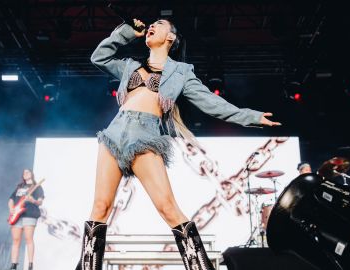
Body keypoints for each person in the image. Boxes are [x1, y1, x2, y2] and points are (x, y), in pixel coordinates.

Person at [76, 18, 281, 270]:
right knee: (99, 208)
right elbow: (100, 57)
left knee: (168, 209)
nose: (151, 26)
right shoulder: (130, 66)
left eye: (158, 24)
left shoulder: (181, 72)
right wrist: (128, 33)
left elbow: (211, 103)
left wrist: (251, 116)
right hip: (114, 133)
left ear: (171, 37)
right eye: (150, 24)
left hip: (145, 136)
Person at [8, 169, 45, 270]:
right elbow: (11, 199)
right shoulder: (19, 187)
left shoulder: (37, 187)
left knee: (28, 239)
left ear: (32, 174)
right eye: (24, 172)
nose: (25, 173)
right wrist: (11, 209)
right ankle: (14, 264)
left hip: (30, 214)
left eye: (27, 172)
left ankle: (30, 264)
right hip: (17, 215)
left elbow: (40, 202)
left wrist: (33, 200)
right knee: (16, 240)